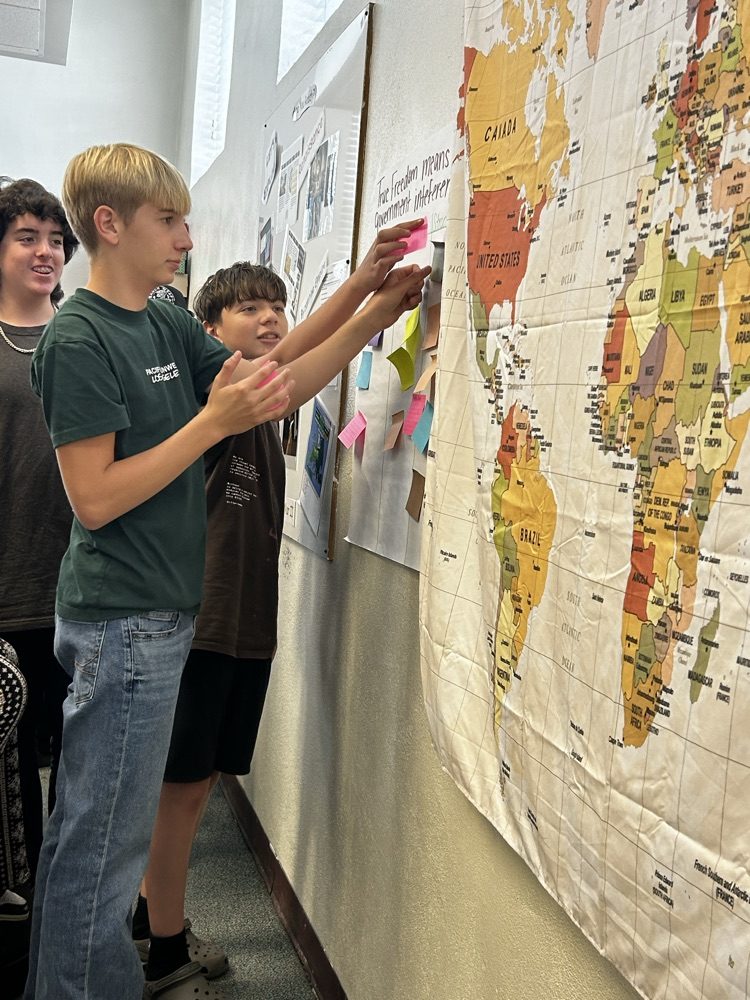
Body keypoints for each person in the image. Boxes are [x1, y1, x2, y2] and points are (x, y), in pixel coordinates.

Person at [23, 140, 428, 1000]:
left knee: (97, 842)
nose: (185, 236)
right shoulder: (79, 335)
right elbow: (94, 498)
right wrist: (210, 425)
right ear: (111, 223)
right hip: (122, 619)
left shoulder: (165, 317)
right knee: (100, 852)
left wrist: (365, 308)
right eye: (169, 220)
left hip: (160, 616)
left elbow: (272, 380)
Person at [135, 221, 428, 1000]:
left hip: (244, 621)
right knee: (184, 787)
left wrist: (370, 298)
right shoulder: (220, 390)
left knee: (197, 783)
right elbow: (295, 363)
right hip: (204, 620)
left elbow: (295, 354)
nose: (270, 319)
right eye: (249, 309)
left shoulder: (258, 391)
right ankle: (164, 951)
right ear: (209, 334)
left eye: (277, 305)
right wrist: (367, 302)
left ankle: (146, 914)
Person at [0, 178, 79, 884]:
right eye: (27, 237)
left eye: (56, 240)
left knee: (83, 768)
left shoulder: (82, 334)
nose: (45, 251)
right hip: (9, 589)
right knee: (12, 768)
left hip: (84, 586)